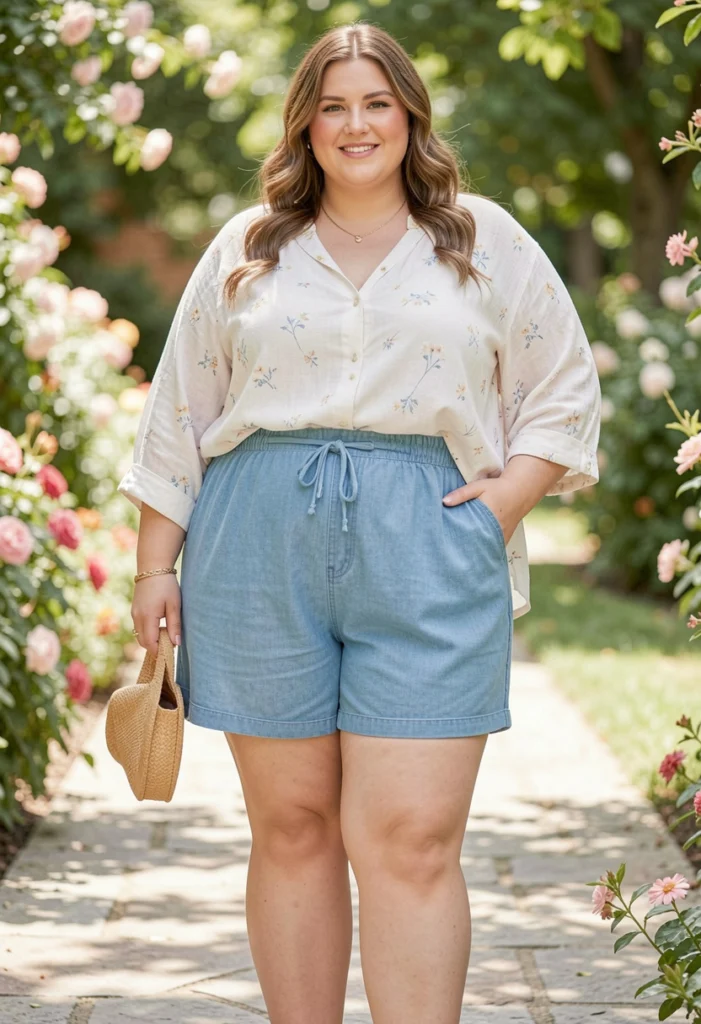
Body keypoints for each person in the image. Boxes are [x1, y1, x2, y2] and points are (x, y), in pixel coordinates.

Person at [117, 20, 601, 1024]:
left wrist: (504, 501)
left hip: (430, 542)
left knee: (411, 837)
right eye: (332, 106)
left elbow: (561, 384)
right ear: (304, 125)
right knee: (292, 827)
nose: (355, 124)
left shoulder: (481, 239)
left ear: (410, 116)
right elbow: (181, 411)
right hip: (255, 545)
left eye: (375, 103)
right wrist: (154, 568)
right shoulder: (247, 246)